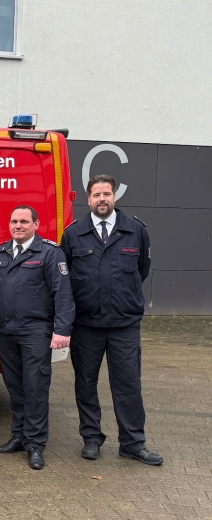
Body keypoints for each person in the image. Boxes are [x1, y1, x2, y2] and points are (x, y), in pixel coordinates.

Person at [61, 174, 162, 466]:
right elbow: (64, 278)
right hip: (86, 325)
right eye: (96, 195)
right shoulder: (73, 233)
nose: (101, 199)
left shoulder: (135, 230)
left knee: (128, 384)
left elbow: (141, 270)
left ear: (114, 196)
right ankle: (91, 438)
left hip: (124, 325)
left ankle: (132, 443)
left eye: (106, 194)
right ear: (88, 198)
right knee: (86, 383)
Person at [0, 205, 75, 469]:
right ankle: (19, 435)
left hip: (36, 332)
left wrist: (62, 330)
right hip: (6, 332)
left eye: (24, 221)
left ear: (36, 224)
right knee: (14, 386)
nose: (18, 226)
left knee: (35, 387)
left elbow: (63, 294)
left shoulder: (49, 253)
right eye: (14, 221)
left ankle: (35, 443)